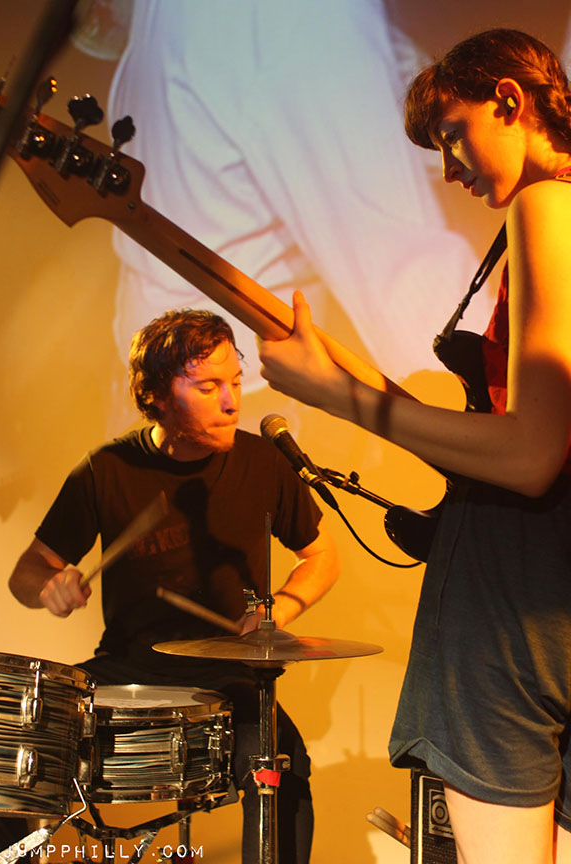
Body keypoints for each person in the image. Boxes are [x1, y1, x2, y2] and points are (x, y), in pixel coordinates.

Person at [259, 28, 571, 864]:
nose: (449, 169)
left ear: (510, 100)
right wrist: (343, 377)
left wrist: (337, 398)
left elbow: (530, 455)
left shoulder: (546, 205)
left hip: (513, 602)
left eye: (452, 134)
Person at [7, 309, 339, 863]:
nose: (232, 402)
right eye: (208, 387)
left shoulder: (264, 464)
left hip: (229, 672)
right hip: (127, 666)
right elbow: (27, 572)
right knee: (17, 743)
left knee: (283, 764)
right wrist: (49, 587)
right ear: (157, 395)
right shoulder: (107, 468)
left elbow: (322, 555)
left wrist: (280, 608)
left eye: (236, 382)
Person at [103, 0, 483, 404]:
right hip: (243, 399)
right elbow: (401, 269)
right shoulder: (299, 15)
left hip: (164, 373)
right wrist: (498, 391)